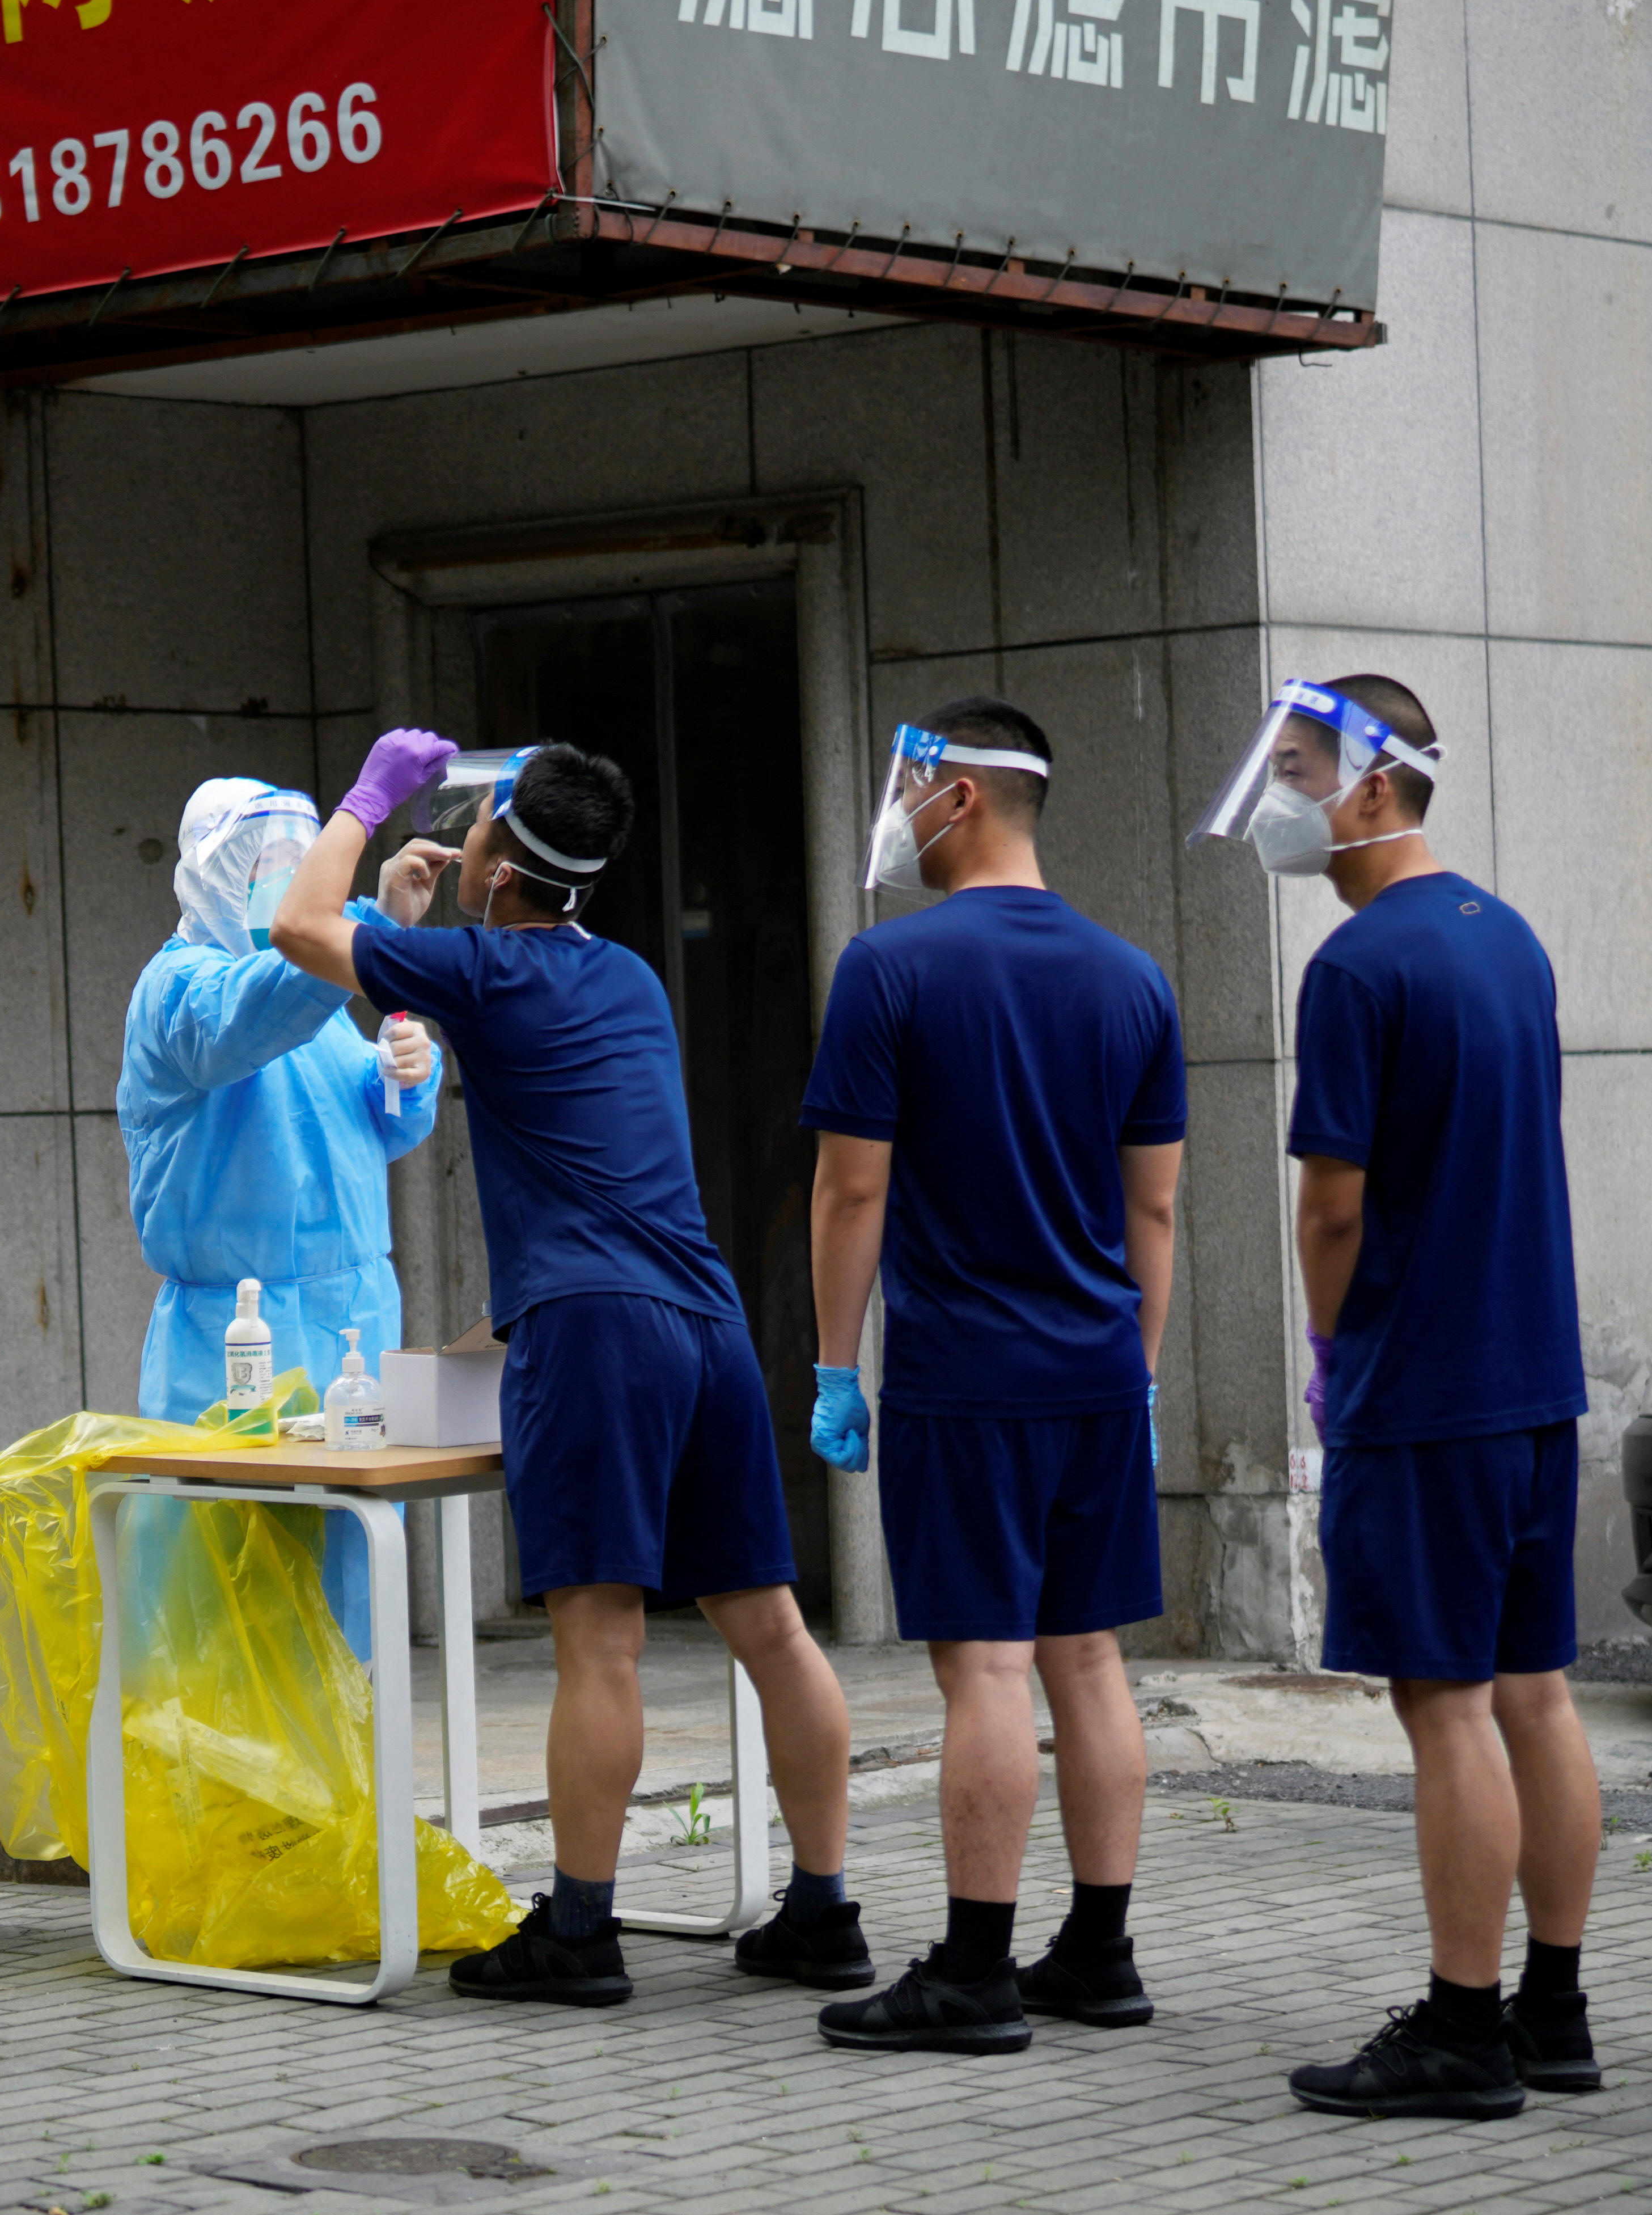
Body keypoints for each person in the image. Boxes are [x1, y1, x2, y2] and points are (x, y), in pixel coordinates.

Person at [270, 729, 861, 2007]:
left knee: (600, 1645)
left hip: (593, 1335)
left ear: (496, 862)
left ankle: (581, 1933)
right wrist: (411, 923)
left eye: (478, 822)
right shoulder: (630, 977)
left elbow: (298, 928)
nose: (467, 834)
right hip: (704, 1326)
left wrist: (366, 803)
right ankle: (823, 1913)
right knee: (770, 1627)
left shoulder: (487, 968)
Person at [1196, 678, 1605, 2118]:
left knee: (1445, 1706)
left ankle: (1459, 2024)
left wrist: (1330, 1349)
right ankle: (1552, 2008)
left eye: (1297, 768)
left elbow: (1331, 1208)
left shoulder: (1358, 966)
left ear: (1372, 784)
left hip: (1423, 1386)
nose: (1277, 798)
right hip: (1530, 1378)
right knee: (1534, 1695)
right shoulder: (1509, 938)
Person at [798, 699, 1183, 2056]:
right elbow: (1152, 1209)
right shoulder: (1131, 977)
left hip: (964, 1375)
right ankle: (1098, 1951)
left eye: (907, 783)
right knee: (1088, 1657)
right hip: (1095, 1373)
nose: (893, 812)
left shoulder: (885, 968)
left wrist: (832, 1366)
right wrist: (1138, 1376)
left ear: (955, 796)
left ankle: (971, 1971)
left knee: (984, 1668)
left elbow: (851, 1190)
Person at [119, 776, 439, 1628]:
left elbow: (369, 1131)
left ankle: (352, 1723)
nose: (291, 884)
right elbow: (250, 1021)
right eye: (267, 866)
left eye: (302, 865)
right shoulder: (182, 990)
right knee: (232, 1597)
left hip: (353, 1322)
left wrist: (403, 1075)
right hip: (232, 1337)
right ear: (212, 872)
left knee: (349, 1593)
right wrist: (372, 927)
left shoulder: (314, 1002)